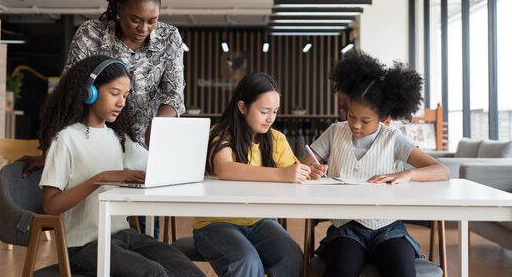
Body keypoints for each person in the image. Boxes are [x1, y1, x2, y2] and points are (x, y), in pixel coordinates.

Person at [22, 0, 184, 237]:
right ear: (119, 9)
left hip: (144, 148)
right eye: (135, 19)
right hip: (94, 145)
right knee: (99, 227)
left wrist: (160, 130)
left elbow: (173, 96)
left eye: (152, 21)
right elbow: (70, 92)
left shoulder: (169, 38)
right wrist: (53, 153)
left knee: (144, 233)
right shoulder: (91, 33)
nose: (144, 28)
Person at [38, 55, 204, 277]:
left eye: (125, 96)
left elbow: (157, 167)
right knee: (152, 273)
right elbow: (50, 206)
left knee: (186, 270)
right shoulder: (65, 139)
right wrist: (102, 178)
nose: (121, 102)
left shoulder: (119, 139)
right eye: (114, 93)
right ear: (90, 92)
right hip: (83, 247)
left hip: (123, 235)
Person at [300, 49, 450, 277]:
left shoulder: (394, 139)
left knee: (401, 272)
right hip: (346, 229)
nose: (356, 125)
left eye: (365, 120)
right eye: (351, 115)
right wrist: (312, 170)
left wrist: (406, 175)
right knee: (341, 270)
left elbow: (442, 171)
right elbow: (302, 167)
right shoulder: (334, 132)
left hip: (389, 229)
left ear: (384, 118)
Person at [192, 72, 308, 277]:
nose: (270, 118)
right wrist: (281, 174)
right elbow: (225, 169)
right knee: (246, 261)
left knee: (291, 255)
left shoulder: (277, 139)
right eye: (264, 111)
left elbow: (291, 174)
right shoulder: (220, 134)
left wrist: (304, 172)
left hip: (260, 221)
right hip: (215, 223)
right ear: (242, 107)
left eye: (275, 111)